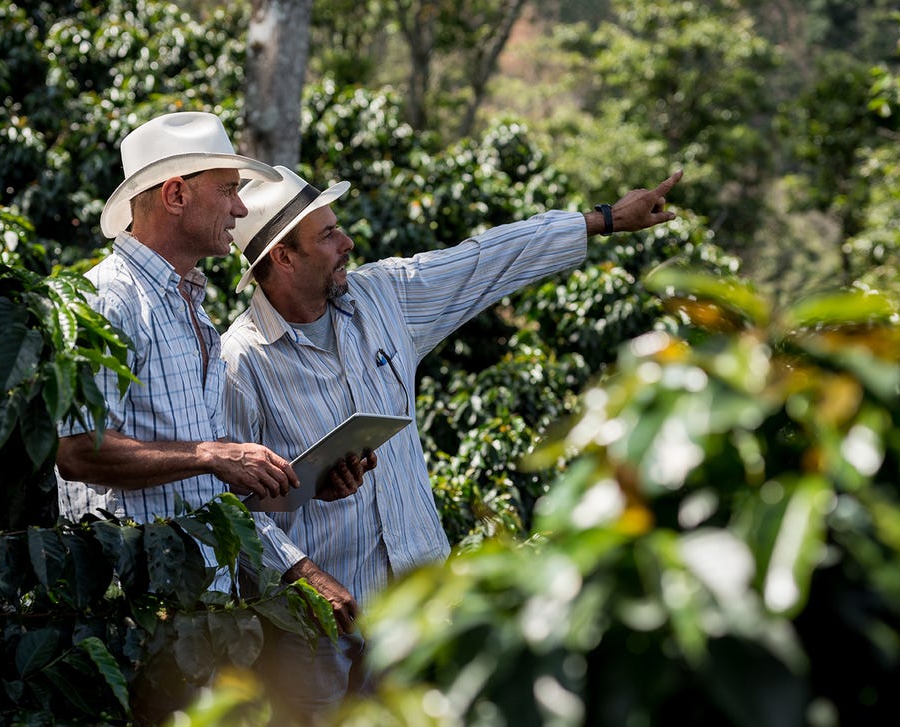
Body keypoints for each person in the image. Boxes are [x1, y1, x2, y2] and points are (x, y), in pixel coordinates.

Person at [221, 164, 683, 720]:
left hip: (417, 610)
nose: (347, 243)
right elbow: (226, 510)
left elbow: (486, 259)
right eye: (327, 235)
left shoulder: (384, 298)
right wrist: (303, 573)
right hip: (315, 632)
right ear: (283, 257)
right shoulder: (241, 362)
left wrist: (603, 220)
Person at [54, 112, 373, 594]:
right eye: (228, 190)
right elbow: (77, 452)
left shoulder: (193, 311)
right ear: (176, 195)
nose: (240, 209)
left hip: (199, 602)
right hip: (134, 605)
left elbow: (206, 474)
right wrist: (211, 455)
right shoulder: (107, 299)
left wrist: (297, 484)